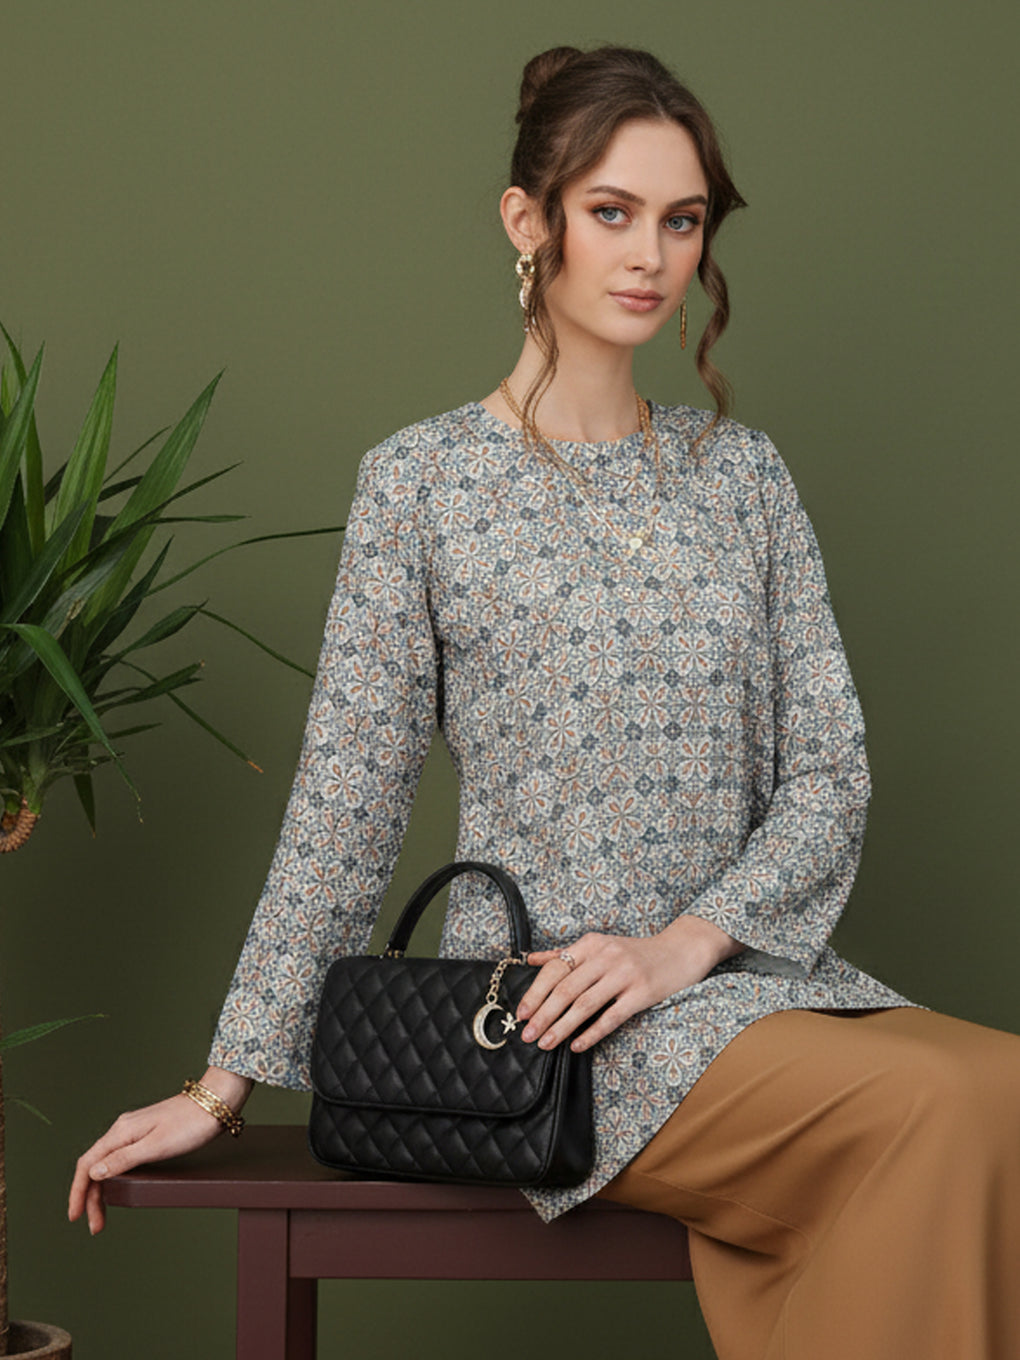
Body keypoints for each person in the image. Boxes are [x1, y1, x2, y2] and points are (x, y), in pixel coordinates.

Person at [69, 44, 1020, 1359]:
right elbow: (348, 801)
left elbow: (827, 778)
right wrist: (222, 1086)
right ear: (529, 222)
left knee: (1002, 1087)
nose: (651, 255)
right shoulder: (423, 485)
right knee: (940, 1110)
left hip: (741, 983)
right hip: (546, 1019)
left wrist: (682, 947)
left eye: (681, 220)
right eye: (612, 212)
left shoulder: (742, 476)